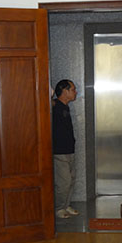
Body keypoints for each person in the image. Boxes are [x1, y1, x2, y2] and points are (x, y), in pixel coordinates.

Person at [52, 79, 78, 219]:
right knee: (63, 182)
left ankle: (66, 205)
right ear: (64, 91)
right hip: (59, 151)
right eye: (73, 89)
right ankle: (59, 208)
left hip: (69, 149)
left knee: (72, 179)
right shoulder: (54, 106)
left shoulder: (65, 107)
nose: (75, 92)